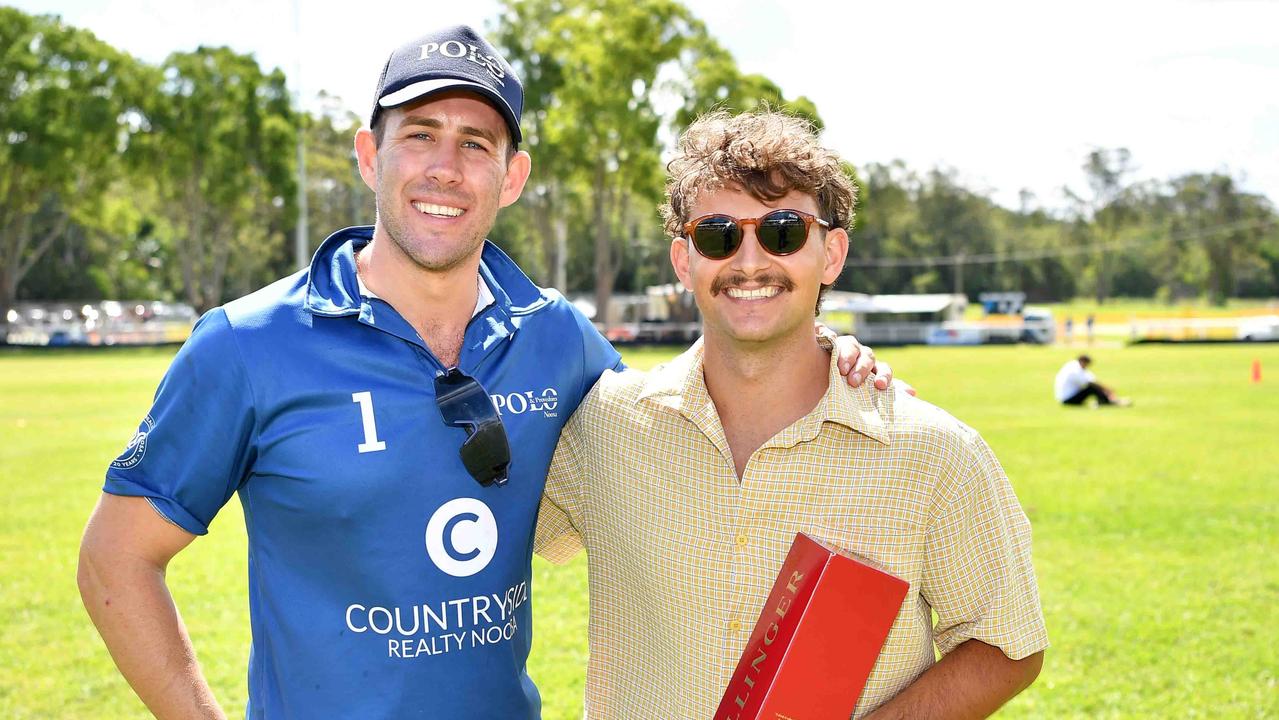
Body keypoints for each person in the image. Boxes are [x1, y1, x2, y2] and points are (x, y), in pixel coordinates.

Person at [76, 27, 885, 719]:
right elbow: (116, 559)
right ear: (369, 155)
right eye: (419, 134)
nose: (445, 167)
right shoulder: (247, 345)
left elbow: (685, 422)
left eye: (475, 144)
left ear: (512, 175)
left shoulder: (555, 334)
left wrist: (820, 352)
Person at [536, 110, 1048, 719]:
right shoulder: (603, 426)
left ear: (831, 253)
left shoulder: (935, 452)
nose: (750, 262)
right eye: (718, 235)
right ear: (683, 262)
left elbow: (1006, 644)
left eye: (783, 231)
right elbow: (491, 534)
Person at [1055, 354, 1130, 407]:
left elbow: (1092, 379)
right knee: (1091, 388)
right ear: (1083, 361)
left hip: (1066, 397)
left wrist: (1106, 391)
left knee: (1092, 387)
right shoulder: (1074, 370)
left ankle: (1108, 400)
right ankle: (1107, 402)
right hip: (1067, 399)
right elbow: (1091, 383)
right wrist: (1108, 390)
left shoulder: (1073, 365)